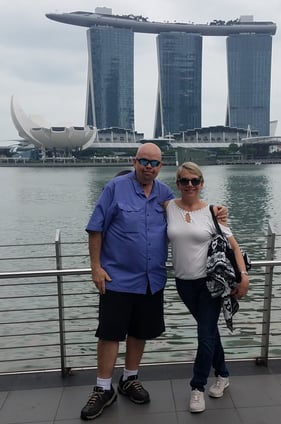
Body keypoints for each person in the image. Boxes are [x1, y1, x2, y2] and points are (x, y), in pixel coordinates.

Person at [80, 143, 174, 420]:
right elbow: (95, 228)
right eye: (144, 161)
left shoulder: (164, 194)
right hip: (117, 278)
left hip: (151, 279)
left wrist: (215, 211)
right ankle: (103, 388)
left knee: (139, 331)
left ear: (161, 166)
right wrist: (96, 267)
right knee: (109, 333)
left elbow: (187, 213)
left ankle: (129, 378)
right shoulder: (115, 188)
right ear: (134, 161)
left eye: (154, 163)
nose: (148, 167)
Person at [165, 161, 249, 413]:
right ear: (177, 184)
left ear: (201, 184)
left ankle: (197, 386)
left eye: (194, 181)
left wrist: (243, 276)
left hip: (210, 283)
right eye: (184, 181)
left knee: (204, 335)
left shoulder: (213, 212)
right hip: (183, 283)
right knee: (209, 330)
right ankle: (222, 374)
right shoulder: (167, 207)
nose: (189, 185)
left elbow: (234, 246)